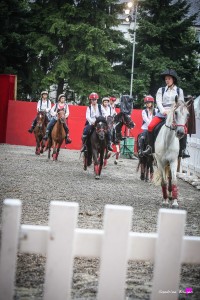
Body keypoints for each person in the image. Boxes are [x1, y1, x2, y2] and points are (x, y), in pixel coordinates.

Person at [143, 69, 190, 158]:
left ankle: (182, 150)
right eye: (166, 79)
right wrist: (163, 111)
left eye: (168, 79)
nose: (167, 80)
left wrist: (173, 111)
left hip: (175, 113)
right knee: (150, 126)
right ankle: (150, 147)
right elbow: (159, 101)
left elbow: (181, 104)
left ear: (173, 80)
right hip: (163, 112)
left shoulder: (180, 91)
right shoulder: (161, 90)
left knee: (185, 129)